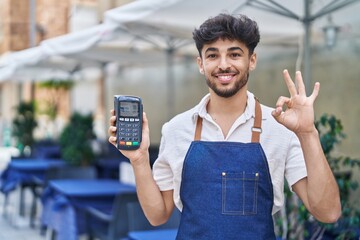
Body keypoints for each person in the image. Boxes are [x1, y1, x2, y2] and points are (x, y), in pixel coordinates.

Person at [109, 13, 341, 239]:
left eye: (234, 54)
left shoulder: (280, 126)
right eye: (212, 55)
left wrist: (308, 133)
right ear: (201, 64)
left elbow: (328, 213)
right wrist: (139, 160)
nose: (223, 65)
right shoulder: (176, 129)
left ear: (252, 60)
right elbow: (157, 216)